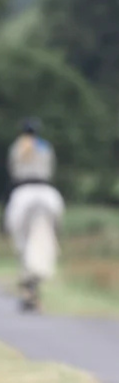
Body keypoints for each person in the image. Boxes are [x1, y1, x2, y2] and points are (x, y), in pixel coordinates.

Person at [4, 118, 64, 312]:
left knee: (20, 239)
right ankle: (56, 237)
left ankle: (27, 288)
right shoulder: (45, 147)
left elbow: (13, 170)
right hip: (45, 189)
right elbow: (51, 169)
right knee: (55, 220)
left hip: (23, 188)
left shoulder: (17, 147)